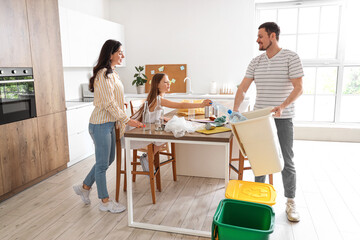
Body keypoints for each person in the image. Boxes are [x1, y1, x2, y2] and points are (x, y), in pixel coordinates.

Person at [233, 22, 303, 222]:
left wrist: (282, 105)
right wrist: (236, 111)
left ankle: (290, 202)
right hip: (259, 119)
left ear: (272, 36)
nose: (257, 40)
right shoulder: (256, 61)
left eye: (261, 36)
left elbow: (299, 88)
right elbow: (242, 88)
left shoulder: (291, 57)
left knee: (287, 161)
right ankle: (259, 200)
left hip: (284, 117)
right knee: (259, 159)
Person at [73, 39, 143, 213]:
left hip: (109, 123)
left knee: (107, 160)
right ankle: (105, 202)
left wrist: (122, 106)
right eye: (119, 52)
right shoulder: (103, 74)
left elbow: (113, 98)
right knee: (103, 164)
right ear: (110, 54)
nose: (122, 55)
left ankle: (84, 187)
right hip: (100, 124)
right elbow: (108, 104)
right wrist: (127, 120)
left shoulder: (113, 73)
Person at [129, 72, 212, 152]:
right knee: (169, 131)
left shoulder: (156, 98)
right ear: (157, 85)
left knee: (170, 128)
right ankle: (148, 158)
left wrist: (162, 118)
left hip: (148, 128)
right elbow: (180, 105)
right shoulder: (158, 99)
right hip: (140, 131)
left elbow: (152, 114)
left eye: (169, 82)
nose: (169, 84)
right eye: (165, 82)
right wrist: (201, 105)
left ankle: (149, 157)